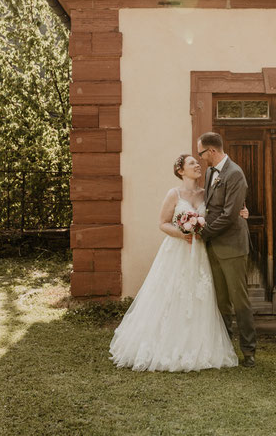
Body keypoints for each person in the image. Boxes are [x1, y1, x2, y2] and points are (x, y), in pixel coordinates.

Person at [109, 153, 240, 372]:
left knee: (200, 295)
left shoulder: (207, 194)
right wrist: (181, 233)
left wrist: (241, 211)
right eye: (192, 163)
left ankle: (199, 344)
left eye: (198, 163)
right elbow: (162, 223)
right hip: (177, 250)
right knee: (172, 294)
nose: (197, 166)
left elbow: (223, 212)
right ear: (181, 170)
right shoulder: (174, 194)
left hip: (200, 253)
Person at [197, 132, 257, 368]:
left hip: (232, 246)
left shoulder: (235, 174)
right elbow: (211, 207)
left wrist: (203, 233)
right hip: (214, 247)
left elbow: (230, 215)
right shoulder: (211, 172)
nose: (200, 158)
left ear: (211, 151)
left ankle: (249, 351)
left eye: (202, 153)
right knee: (221, 301)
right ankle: (224, 349)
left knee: (239, 301)